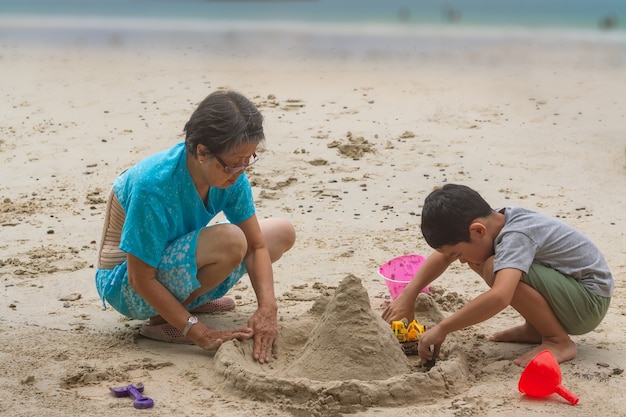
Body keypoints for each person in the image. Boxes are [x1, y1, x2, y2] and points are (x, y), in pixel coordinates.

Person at [95, 90, 296, 363]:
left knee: (281, 232)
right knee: (232, 240)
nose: (240, 172)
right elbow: (139, 277)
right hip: (126, 286)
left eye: (248, 161)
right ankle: (163, 320)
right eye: (234, 164)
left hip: (168, 259)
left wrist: (267, 308)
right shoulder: (152, 184)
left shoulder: (231, 174)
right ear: (202, 152)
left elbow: (258, 245)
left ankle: (188, 302)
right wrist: (198, 332)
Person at [382, 184, 613, 367]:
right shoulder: (494, 221)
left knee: (493, 266)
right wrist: (408, 295)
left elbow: (500, 297)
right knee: (488, 261)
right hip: (571, 291)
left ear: (478, 230)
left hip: (588, 302)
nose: (460, 260)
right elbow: (443, 256)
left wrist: (443, 327)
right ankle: (537, 328)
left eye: (458, 253)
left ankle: (558, 341)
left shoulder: (515, 235)